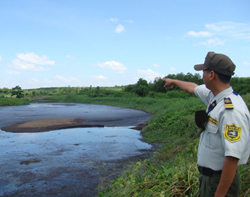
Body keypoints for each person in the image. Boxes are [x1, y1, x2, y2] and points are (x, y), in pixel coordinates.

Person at [161, 52, 250, 197]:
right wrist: (174, 81)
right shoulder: (214, 95)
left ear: (212, 74)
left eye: (204, 71)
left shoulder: (231, 110)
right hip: (210, 179)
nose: (202, 75)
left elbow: (233, 157)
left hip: (219, 181)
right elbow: (192, 87)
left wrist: (220, 194)